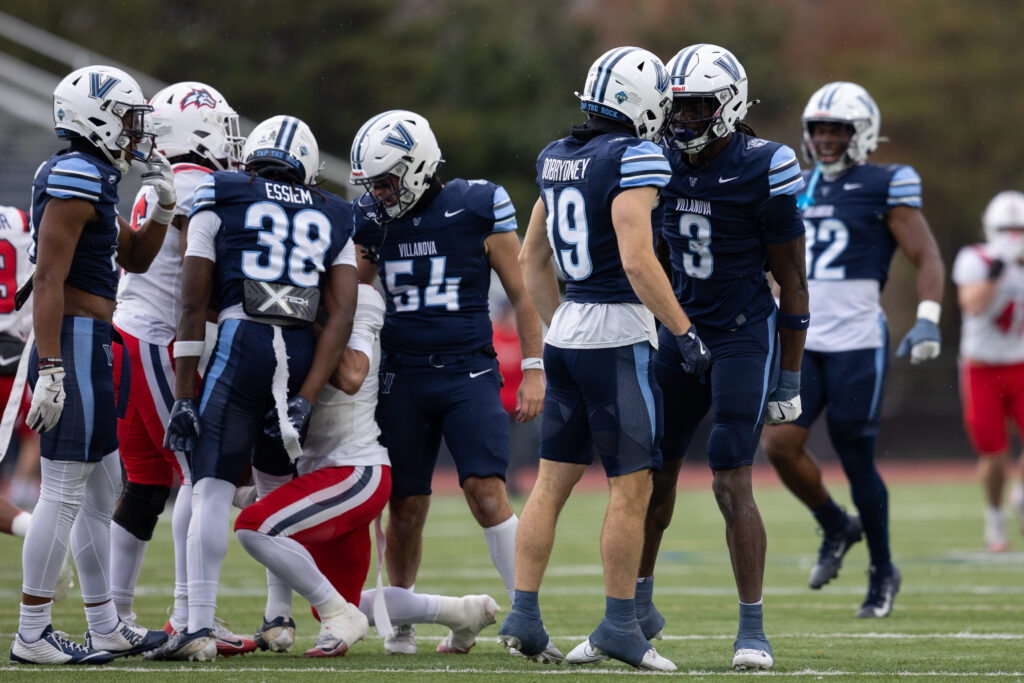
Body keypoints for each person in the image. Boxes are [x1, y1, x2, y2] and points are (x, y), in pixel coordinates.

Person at [498, 46, 709, 672]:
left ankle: (523, 615)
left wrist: (561, 319)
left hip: (566, 336)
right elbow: (638, 260)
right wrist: (684, 331)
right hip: (617, 335)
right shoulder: (634, 156)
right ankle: (620, 624)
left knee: (550, 484)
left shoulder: (556, 156)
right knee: (632, 487)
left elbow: (532, 259)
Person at [637, 44, 809, 671]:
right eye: (677, 107)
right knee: (651, 475)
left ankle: (752, 630)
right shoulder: (656, 159)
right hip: (679, 330)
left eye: (698, 107)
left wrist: (788, 376)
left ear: (730, 105)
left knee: (730, 476)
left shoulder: (766, 165)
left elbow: (792, 279)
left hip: (740, 335)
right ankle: (635, 610)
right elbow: (649, 254)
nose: (684, 119)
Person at [161, 114, 358, 661]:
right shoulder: (333, 211)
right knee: (275, 487)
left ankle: (197, 625)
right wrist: (306, 397)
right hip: (297, 350)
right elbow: (341, 316)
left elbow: (191, 301)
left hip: (240, 341)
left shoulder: (220, 190)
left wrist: (184, 394)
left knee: (209, 485)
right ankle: (279, 617)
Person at [349, 109, 544, 655]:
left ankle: (524, 615)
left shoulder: (476, 204)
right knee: (405, 506)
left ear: (417, 167)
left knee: (487, 492)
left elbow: (523, 292)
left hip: (468, 371)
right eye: (373, 184)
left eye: (387, 180)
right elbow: (356, 298)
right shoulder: (370, 217)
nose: (379, 193)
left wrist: (534, 367)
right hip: (402, 375)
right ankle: (402, 620)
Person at [234, 283, 500, 657]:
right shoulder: (289, 293)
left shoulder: (360, 298)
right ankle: (462, 612)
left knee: (254, 526)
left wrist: (299, 311)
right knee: (338, 601)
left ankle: (280, 616)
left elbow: (351, 375)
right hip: (316, 475)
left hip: (354, 471)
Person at [760, 81, 944, 618]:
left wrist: (928, 318)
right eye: (819, 129)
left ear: (862, 133)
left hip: (857, 340)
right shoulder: (794, 183)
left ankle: (883, 570)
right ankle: (835, 523)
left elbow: (927, 256)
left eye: (838, 130)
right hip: (801, 337)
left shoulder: (885, 183)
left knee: (854, 454)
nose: (826, 139)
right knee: (778, 444)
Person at [10, 65, 172, 664]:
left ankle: (104, 623)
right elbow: (49, 279)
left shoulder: (96, 175)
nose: (134, 130)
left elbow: (136, 257)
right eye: (127, 118)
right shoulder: (76, 173)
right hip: (72, 341)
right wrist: (51, 366)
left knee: (104, 487)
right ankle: (32, 633)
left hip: (96, 340)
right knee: (62, 490)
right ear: (97, 118)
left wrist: (162, 207)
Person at [107, 80, 256, 657]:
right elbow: (201, 273)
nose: (231, 141)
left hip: (131, 334)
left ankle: (116, 616)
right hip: (156, 339)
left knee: (147, 483)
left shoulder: (170, 180)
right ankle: (190, 615)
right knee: (200, 476)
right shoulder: (196, 185)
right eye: (222, 128)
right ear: (197, 131)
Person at [953, 190, 1024, 551]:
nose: (1013, 236)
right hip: (982, 369)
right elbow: (973, 305)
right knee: (994, 454)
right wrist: (997, 271)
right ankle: (995, 516)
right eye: (1006, 229)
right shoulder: (975, 259)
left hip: (1022, 363)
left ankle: (1020, 496)